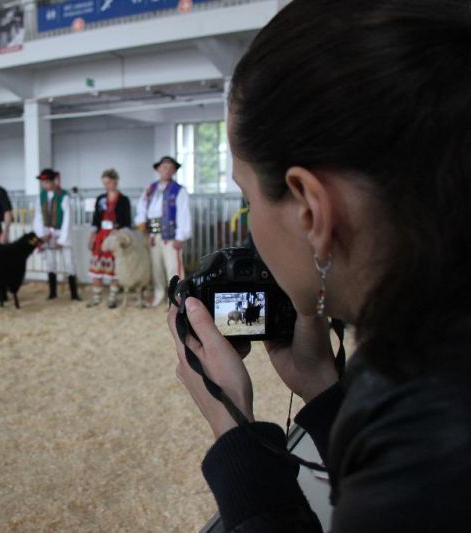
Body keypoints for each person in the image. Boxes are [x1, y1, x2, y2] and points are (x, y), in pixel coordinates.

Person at [166, 1, 471, 531]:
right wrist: (324, 389)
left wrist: (235, 431)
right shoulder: (428, 358)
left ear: (310, 207)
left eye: (249, 197)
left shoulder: (428, 448)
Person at [135, 156, 191, 307]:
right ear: (158, 169)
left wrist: (181, 236)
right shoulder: (150, 188)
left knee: (173, 268)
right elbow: (142, 206)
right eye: (164, 166)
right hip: (153, 234)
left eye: (170, 167)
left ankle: (175, 299)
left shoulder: (179, 190)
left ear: (174, 170)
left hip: (171, 236)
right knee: (156, 267)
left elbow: (183, 214)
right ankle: (159, 295)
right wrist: (142, 222)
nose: (166, 169)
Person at [33, 168, 80, 301]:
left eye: (47, 181)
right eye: (43, 182)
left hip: (61, 233)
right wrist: (41, 234)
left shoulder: (63, 196)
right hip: (47, 233)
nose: (45, 184)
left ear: (54, 181)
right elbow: (38, 216)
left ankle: (74, 294)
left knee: (69, 262)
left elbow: (67, 219)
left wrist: (63, 239)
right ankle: (52, 292)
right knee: (50, 263)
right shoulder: (40, 197)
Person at [87, 168, 132, 308]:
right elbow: (96, 220)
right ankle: (96, 296)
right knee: (96, 267)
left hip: (115, 236)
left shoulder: (123, 200)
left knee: (115, 268)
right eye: (104, 183)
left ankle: (112, 297)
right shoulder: (100, 199)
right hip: (101, 236)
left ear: (115, 181)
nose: (107, 186)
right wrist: (92, 235)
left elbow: (127, 221)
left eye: (109, 182)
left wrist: (117, 229)